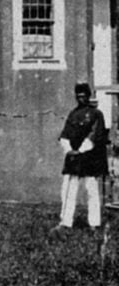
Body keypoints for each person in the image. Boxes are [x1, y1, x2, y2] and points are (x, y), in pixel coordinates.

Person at [54, 82, 108, 231]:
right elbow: (64, 134)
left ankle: (94, 223)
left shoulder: (96, 114)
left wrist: (82, 149)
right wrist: (68, 149)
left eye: (83, 95)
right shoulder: (73, 114)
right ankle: (66, 222)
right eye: (78, 96)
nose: (80, 98)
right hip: (74, 158)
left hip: (90, 158)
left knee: (91, 189)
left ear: (89, 96)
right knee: (69, 190)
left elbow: (95, 135)